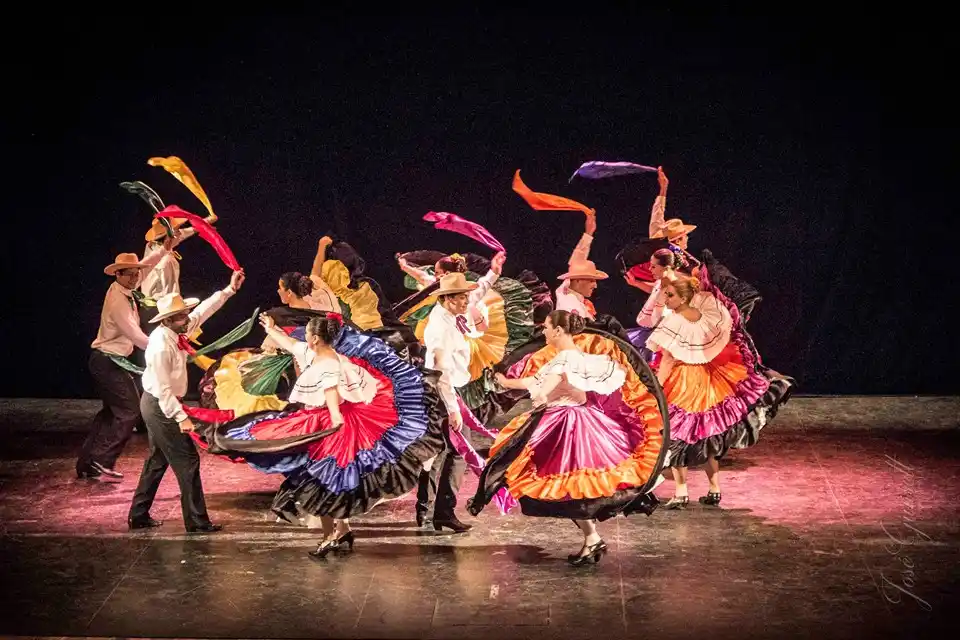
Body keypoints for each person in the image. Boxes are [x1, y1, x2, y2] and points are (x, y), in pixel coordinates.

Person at [188, 313, 446, 557]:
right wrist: (271, 329)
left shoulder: (330, 363)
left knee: (324, 481)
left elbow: (331, 389)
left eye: (307, 335)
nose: (303, 339)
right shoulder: (313, 353)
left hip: (335, 424)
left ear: (315, 339)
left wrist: (334, 417)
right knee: (325, 480)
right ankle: (341, 531)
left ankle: (329, 536)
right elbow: (291, 345)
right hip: (324, 419)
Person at [468, 310, 666, 565]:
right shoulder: (582, 358)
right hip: (586, 421)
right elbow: (537, 380)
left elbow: (542, 390)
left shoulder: (562, 361)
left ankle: (592, 538)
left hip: (565, 425)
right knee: (576, 489)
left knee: (565, 484)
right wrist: (505, 381)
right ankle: (592, 538)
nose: (545, 332)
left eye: (548, 328)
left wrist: (536, 401)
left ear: (559, 331)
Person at [645, 273, 792, 508]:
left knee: (678, 435)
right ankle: (714, 489)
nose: (667, 298)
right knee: (704, 436)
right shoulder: (704, 317)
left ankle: (681, 491)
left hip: (682, 382)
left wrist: (657, 386)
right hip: (706, 380)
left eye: (671, 295)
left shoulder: (673, 322)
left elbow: (668, 359)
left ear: (684, 298)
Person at [126, 269, 245, 532]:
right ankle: (197, 522)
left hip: (163, 403)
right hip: (160, 405)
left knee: (158, 461)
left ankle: (138, 514)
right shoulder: (161, 345)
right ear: (168, 320)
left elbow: (203, 311)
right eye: (180, 316)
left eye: (184, 314)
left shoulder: (177, 330)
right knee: (188, 461)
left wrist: (229, 290)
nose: (187, 318)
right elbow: (161, 387)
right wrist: (182, 419)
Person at [419, 265, 504, 532]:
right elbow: (440, 372)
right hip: (444, 394)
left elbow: (478, 293)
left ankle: (427, 510)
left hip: (451, 390)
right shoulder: (439, 328)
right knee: (457, 452)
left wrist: (493, 274)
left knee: (440, 451)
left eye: (465, 297)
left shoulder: (452, 315)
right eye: (461, 297)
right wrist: (453, 409)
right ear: (446, 298)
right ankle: (442, 511)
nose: (467, 301)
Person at [77, 250, 168, 480]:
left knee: (111, 412)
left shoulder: (125, 289)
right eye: (128, 274)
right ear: (117, 274)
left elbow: (145, 265)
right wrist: (165, 349)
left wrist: (166, 248)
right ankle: (101, 460)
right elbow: (136, 336)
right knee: (129, 410)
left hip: (109, 361)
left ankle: (88, 462)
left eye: (135, 273)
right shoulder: (118, 300)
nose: (134, 278)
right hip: (107, 361)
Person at [555, 212, 607, 319]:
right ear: (578, 280)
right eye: (592, 280)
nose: (596, 285)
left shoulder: (568, 292)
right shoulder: (571, 305)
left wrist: (588, 233)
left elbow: (577, 261)